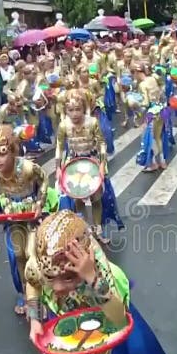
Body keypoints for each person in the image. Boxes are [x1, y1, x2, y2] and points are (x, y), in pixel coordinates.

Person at [25, 210, 175, 354]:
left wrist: (91, 278)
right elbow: (32, 283)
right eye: (51, 279)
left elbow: (117, 317)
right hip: (66, 315)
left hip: (100, 309)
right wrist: (34, 318)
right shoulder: (39, 264)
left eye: (68, 278)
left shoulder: (96, 266)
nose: (59, 287)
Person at [0, 124, 57, 315]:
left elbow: (44, 180)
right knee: (18, 255)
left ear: (13, 152)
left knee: (33, 254)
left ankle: (44, 295)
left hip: (31, 213)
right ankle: (25, 294)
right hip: (12, 214)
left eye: (2, 154)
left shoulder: (28, 168)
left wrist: (40, 203)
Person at [56, 89, 123, 243]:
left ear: (84, 107)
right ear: (66, 110)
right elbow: (59, 146)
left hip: (92, 161)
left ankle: (98, 229)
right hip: (73, 163)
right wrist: (58, 168)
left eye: (78, 109)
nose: (74, 114)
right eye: (71, 110)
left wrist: (102, 164)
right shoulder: (63, 125)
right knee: (78, 198)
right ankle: (84, 229)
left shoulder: (92, 122)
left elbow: (101, 143)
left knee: (96, 198)